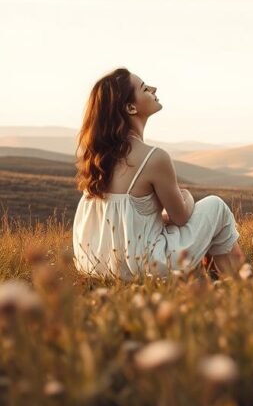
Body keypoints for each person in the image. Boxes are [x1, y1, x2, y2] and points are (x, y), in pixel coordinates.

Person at [72, 67, 244, 281]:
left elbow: (121, 218)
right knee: (216, 207)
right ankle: (237, 284)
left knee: (206, 220)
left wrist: (160, 219)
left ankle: (218, 279)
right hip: (147, 266)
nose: (153, 88)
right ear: (131, 107)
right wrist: (186, 196)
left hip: (97, 264)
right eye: (144, 88)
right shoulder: (153, 157)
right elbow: (181, 218)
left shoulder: (96, 159)